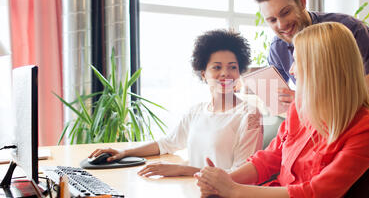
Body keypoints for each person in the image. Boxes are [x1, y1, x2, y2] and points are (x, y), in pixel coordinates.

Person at [195, 22, 369, 198]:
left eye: (297, 61)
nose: (292, 70)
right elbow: (269, 159)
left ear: (320, 68)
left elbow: (316, 194)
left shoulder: (368, 127)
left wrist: (233, 189)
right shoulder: (299, 107)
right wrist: (225, 181)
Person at [90, 29, 263, 177]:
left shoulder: (250, 115)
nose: (225, 73)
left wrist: (182, 170)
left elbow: (242, 173)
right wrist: (124, 152)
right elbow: (166, 143)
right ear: (203, 74)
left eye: (232, 67)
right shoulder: (196, 111)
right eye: (217, 67)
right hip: (194, 193)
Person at [253, 0, 369, 125]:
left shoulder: (350, 30)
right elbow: (277, 104)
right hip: (325, 125)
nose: (281, 25)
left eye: (286, 12)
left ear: (302, 1)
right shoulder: (278, 48)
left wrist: (311, 103)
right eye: (272, 20)